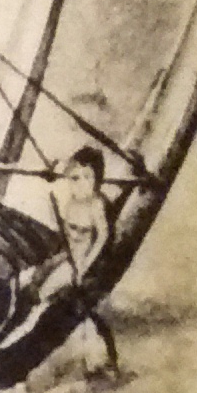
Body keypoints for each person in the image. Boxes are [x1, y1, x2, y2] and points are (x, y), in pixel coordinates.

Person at [48, 144, 129, 373]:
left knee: (87, 308)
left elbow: (103, 237)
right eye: (75, 178)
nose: (81, 183)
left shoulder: (96, 204)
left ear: (97, 179)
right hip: (73, 260)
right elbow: (66, 234)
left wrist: (85, 265)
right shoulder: (72, 203)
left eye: (87, 177)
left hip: (91, 263)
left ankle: (101, 360)